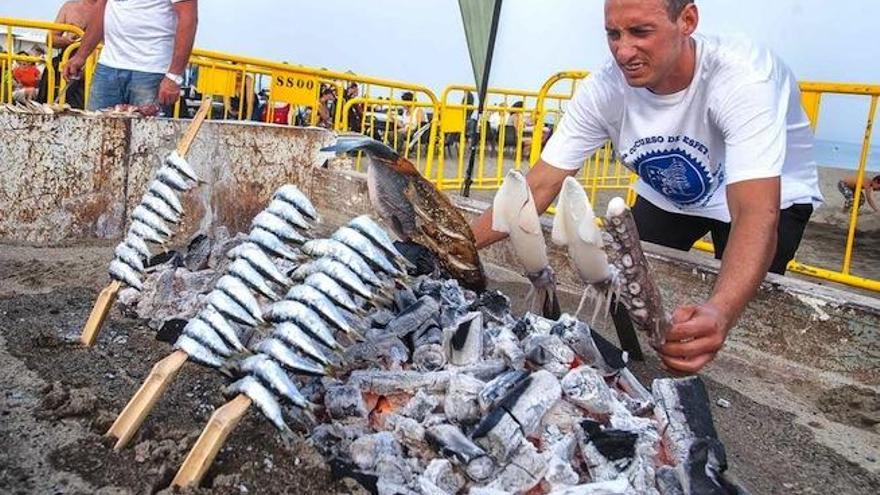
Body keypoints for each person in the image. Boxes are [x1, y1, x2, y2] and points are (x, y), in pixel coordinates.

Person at [470, 0, 823, 374]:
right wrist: (450, 245)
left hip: (768, 196)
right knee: (623, 285)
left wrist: (720, 310)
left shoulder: (742, 77)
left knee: (741, 308)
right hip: (672, 194)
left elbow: (755, 213)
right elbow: (539, 184)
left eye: (640, 32)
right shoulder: (604, 89)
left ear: (687, 20)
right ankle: (636, 369)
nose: (623, 51)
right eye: (613, 34)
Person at [63, 0, 198, 112]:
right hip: (108, 67)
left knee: (147, 139)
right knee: (96, 134)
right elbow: (101, 9)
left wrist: (174, 76)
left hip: (152, 71)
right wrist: (80, 56)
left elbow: (188, 18)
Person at [37, 0, 96, 108]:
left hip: (98, 68)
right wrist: (67, 40)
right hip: (68, 65)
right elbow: (50, 38)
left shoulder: (112, 9)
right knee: (52, 70)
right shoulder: (70, 7)